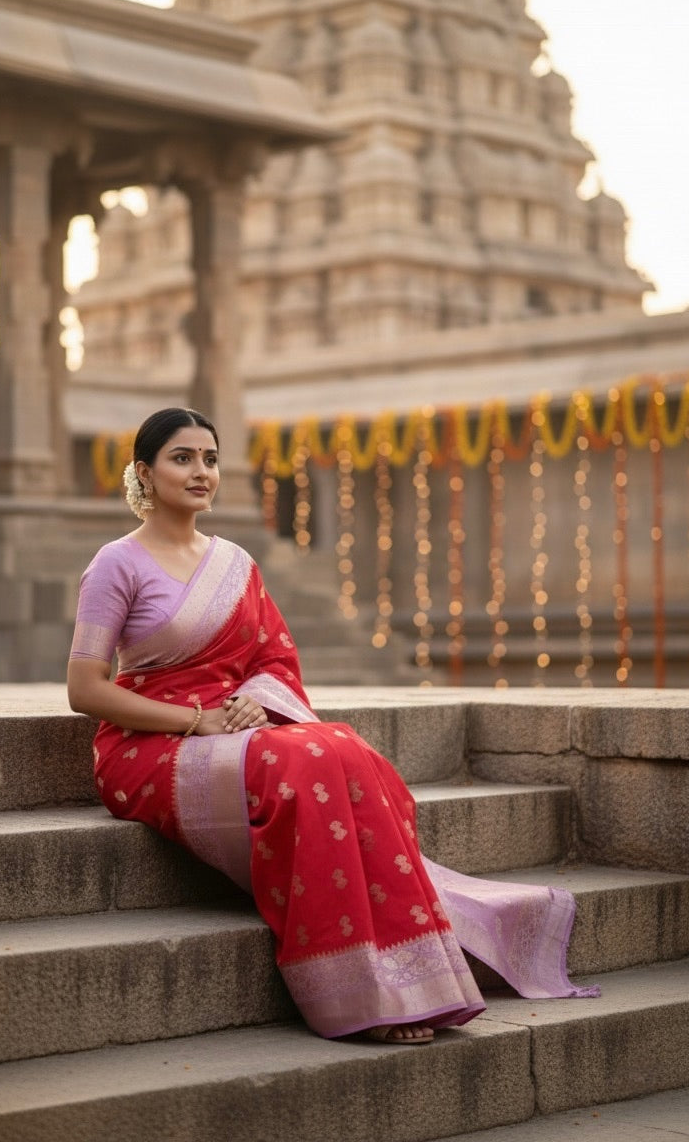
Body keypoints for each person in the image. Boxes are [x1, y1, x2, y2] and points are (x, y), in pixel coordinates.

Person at [67, 407, 598, 1045]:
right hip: (148, 746)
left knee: (345, 748)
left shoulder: (235, 563)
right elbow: (85, 689)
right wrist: (196, 721)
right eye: (182, 458)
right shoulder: (116, 564)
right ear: (145, 473)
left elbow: (271, 662)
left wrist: (255, 705)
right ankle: (356, 992)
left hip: (232, 728)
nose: (201, 471)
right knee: (304, 763)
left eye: (210, 458)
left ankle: (413, 975)